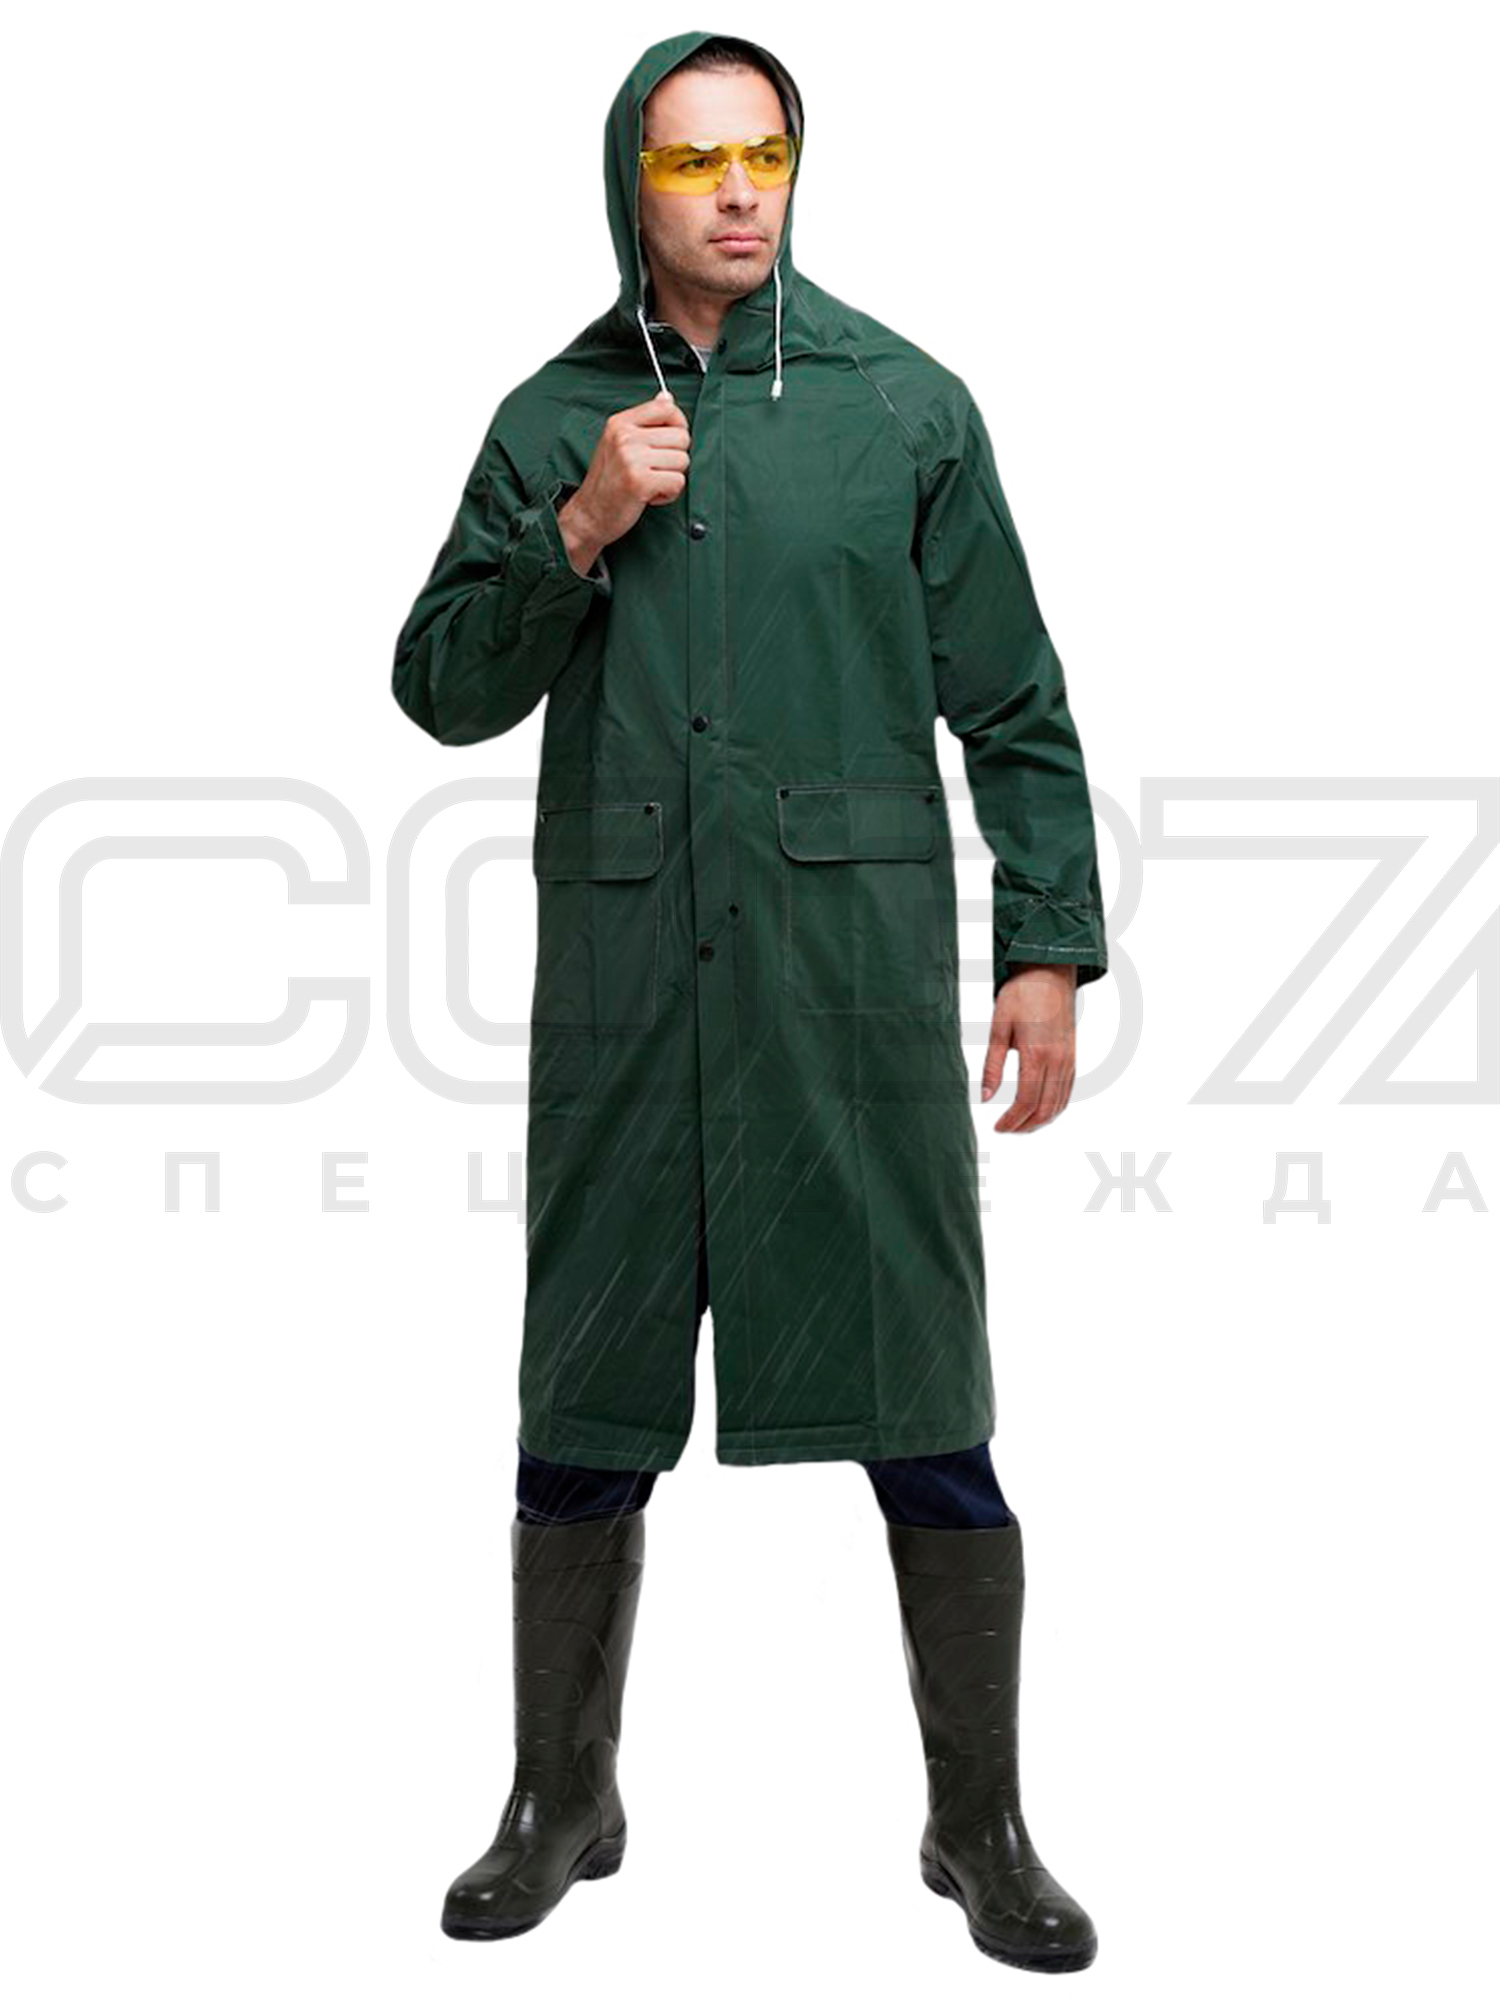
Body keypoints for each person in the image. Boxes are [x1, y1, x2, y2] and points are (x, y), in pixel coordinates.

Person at [392, 30, 1108, 1974]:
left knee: (928, 1405)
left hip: (845, 990)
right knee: (585, 1395)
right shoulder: (554, 417)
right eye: (692, 157)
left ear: (795, 169)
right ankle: (560, 1798)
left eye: (762, 153)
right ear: (629, 179)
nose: (732, 189)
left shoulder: (905, 409)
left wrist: (1045, 944)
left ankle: (978, 1823)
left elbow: (1016, 703)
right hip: (628, 998)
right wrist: (575, 532)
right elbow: (440, 687)